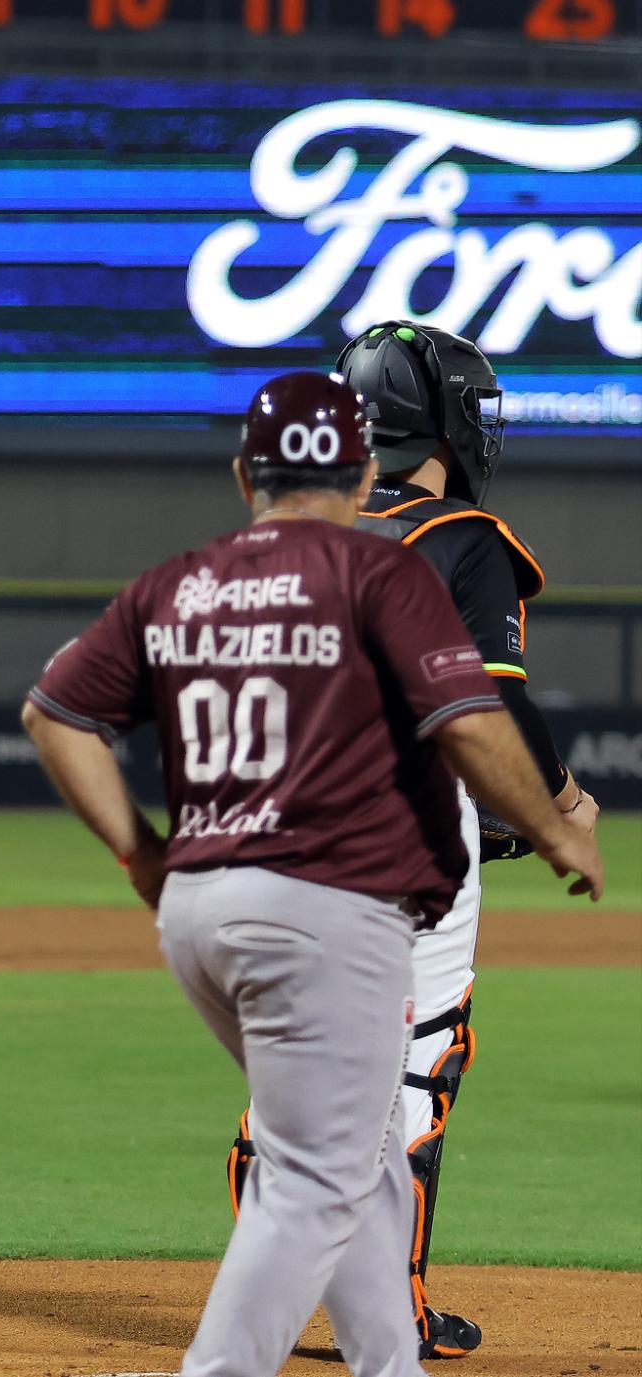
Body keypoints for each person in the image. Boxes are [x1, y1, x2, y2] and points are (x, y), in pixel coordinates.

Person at [22, 370, 602, 1377]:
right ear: (361, 468)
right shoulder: (384, 575)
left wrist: (137, 851)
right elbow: (468, 719)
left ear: (244, 471)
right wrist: (551, 828)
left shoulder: (184, 579)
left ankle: (390, 1363)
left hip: (198, 906)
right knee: (320, 1175)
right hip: (328, 904)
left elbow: (53, 716)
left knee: (366, 1149)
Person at [225, 322, 599, 1360]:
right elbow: (494, 708)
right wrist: (555, 802)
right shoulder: (461, 535)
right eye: (467, 404)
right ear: (429, 416)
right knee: (414, 1063)